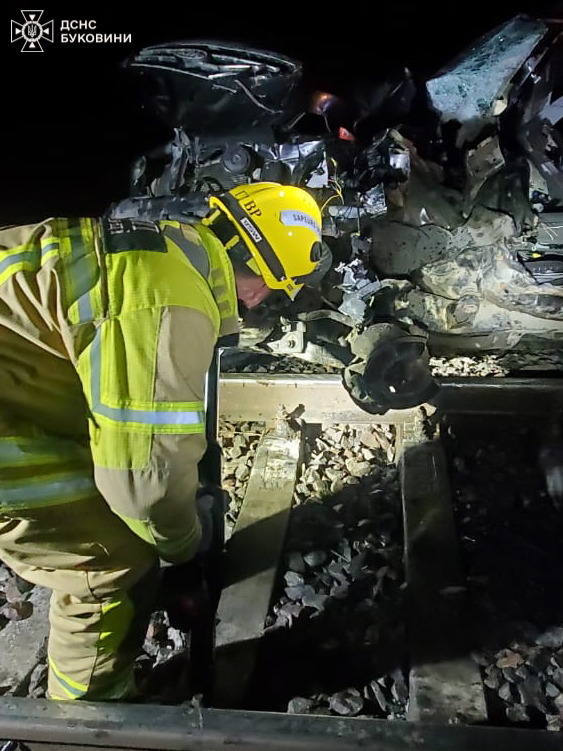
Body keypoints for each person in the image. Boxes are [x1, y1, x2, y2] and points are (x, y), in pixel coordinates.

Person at [0, 182, 330, 701]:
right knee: (112, 562)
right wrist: (183, 551)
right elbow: (144, 485)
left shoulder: (160, 250)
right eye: (271, 290)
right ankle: (90, 717)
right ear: (262, 283)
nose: (260, 303)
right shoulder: (174, 302)